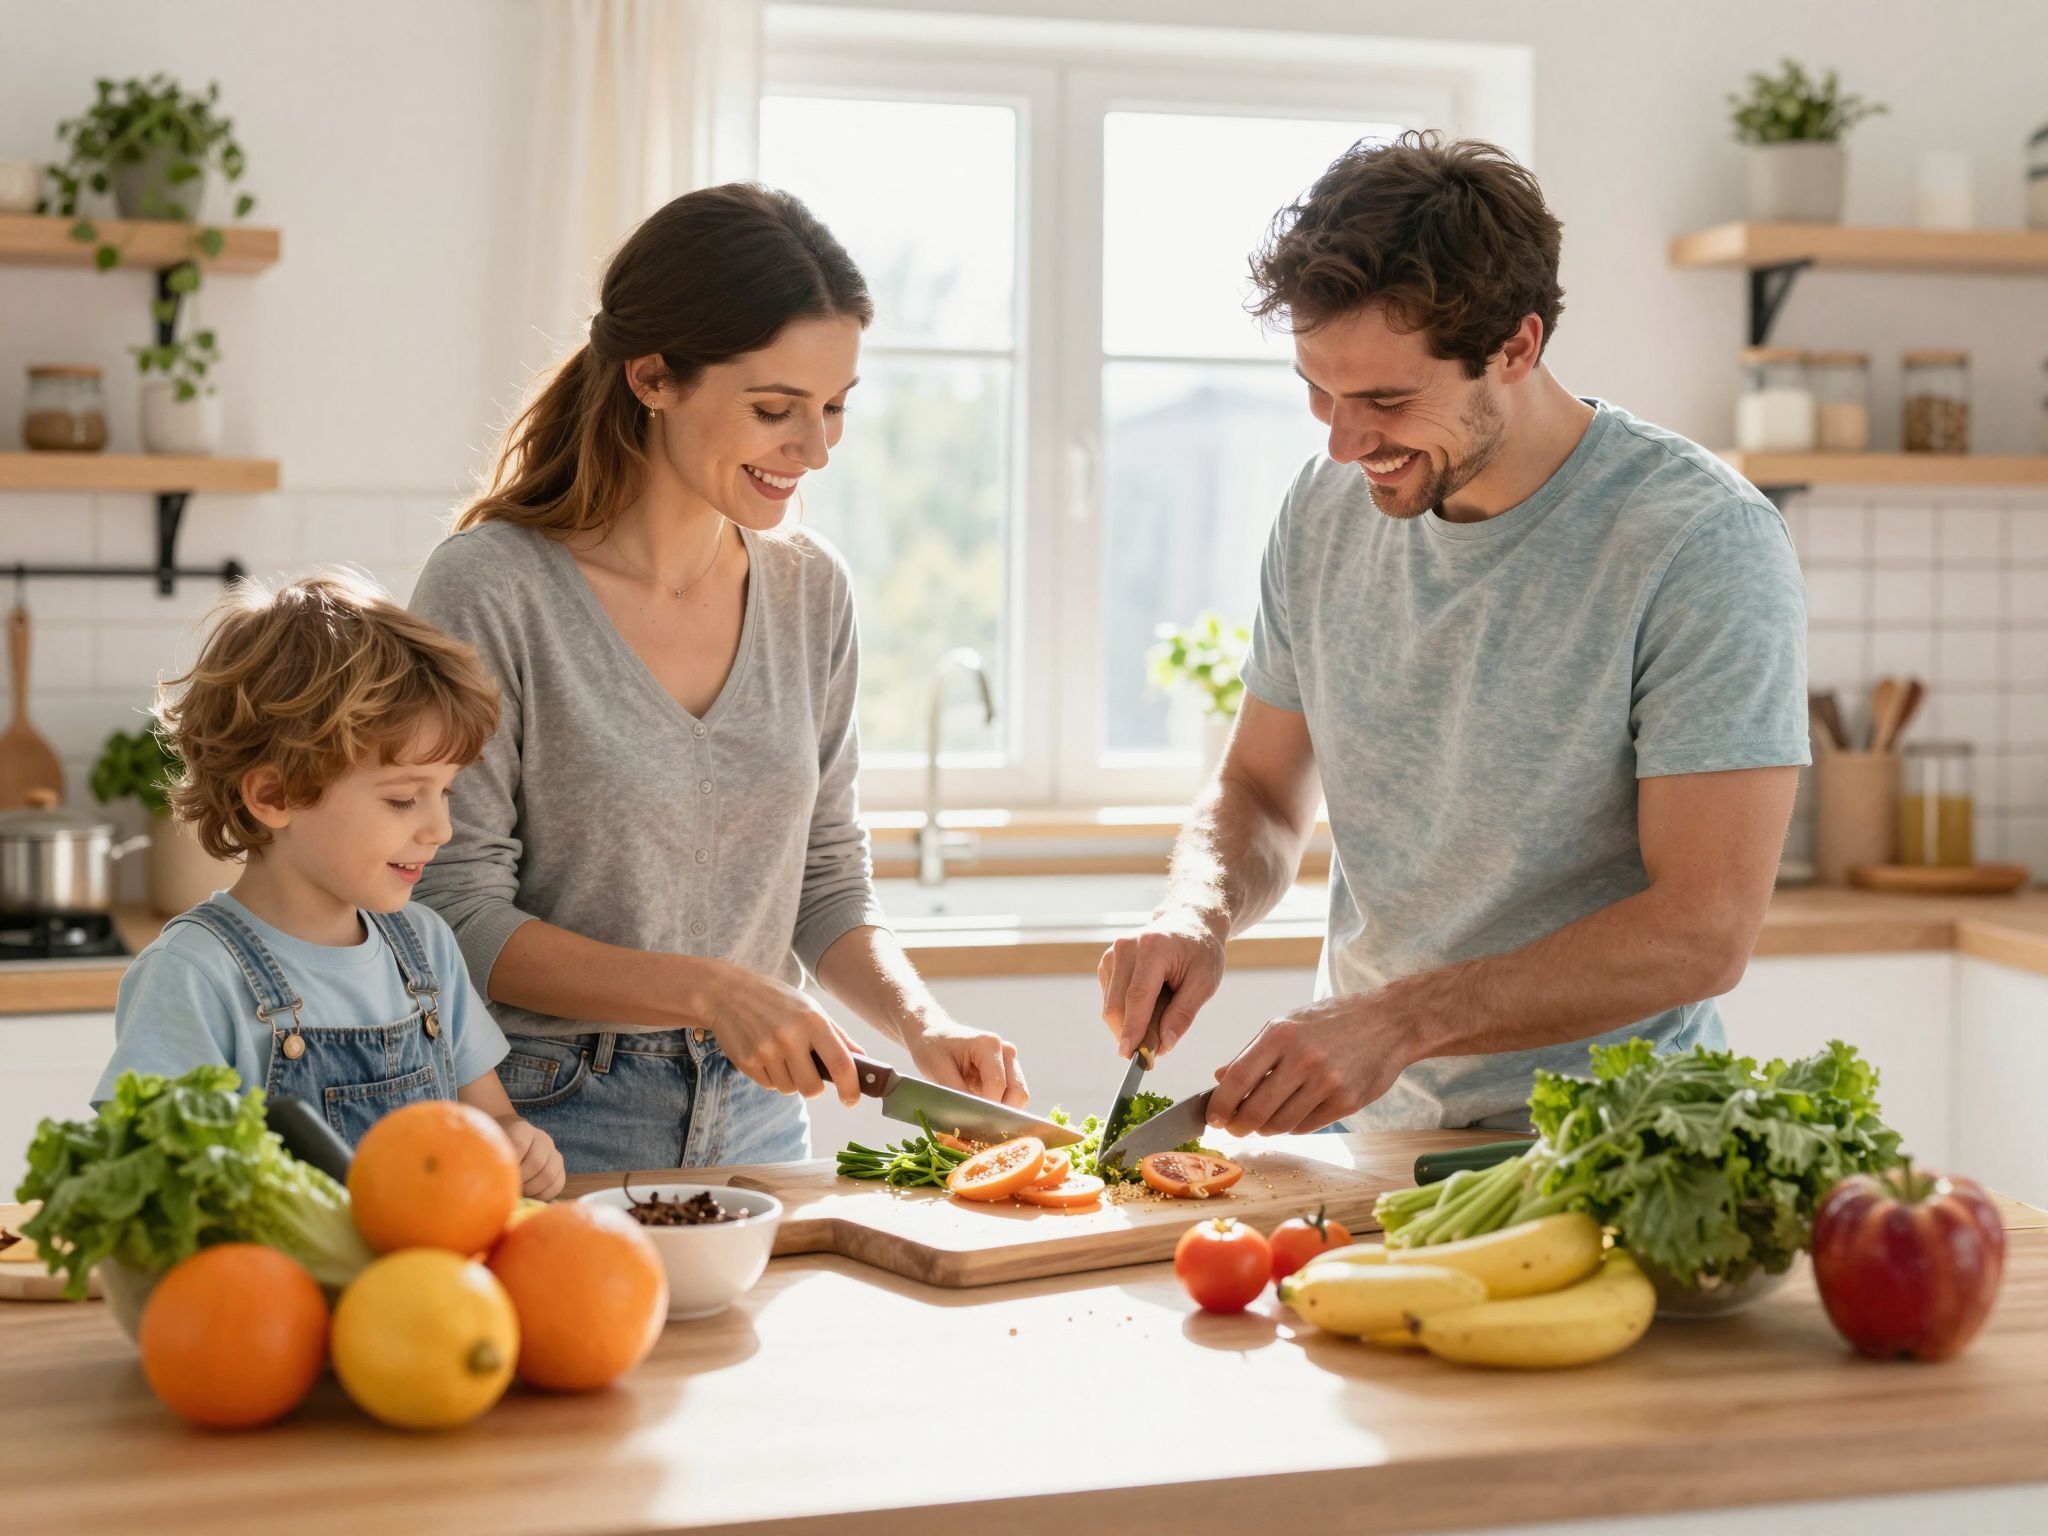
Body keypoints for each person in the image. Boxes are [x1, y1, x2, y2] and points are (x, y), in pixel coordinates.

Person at [1098, 131, 1809, 1135]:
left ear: (1515, 348)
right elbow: (1259, 787)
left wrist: (1399, 1022)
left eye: (1386, 400)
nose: (1342, 443)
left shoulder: (1696, 540)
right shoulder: (1323, 510)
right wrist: (1196, 910)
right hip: (1366, 1134)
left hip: (1604, 1143)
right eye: (1317, 390)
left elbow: (1702, 929)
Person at [410, 183, 1028, 1175]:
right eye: (775, 409)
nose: (815, 449)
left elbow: (823, 878)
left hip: (760, 1121)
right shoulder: (493, 588)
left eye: (834, 407)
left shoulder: (809, 591)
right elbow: (453, 911)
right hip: (544, 1119)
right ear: (653, 377)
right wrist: (712, 991)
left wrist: (922, 1025)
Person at [95, 574, 566, 1197]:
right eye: (403, 799)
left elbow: (491, 1123)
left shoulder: (426, 946)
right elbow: (148, 1180)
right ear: (275, 795)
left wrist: (519, 1145)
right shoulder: (193, 974)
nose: (441, 829)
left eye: (445, 792)